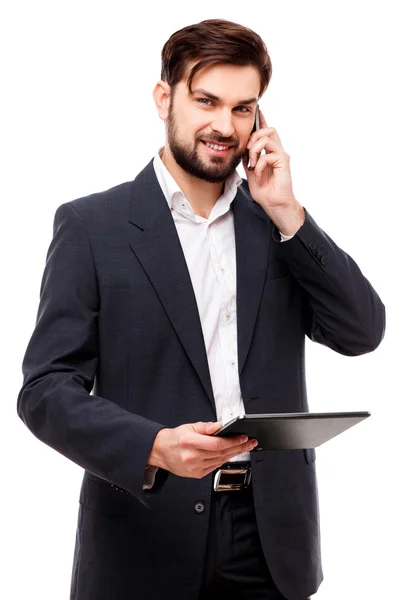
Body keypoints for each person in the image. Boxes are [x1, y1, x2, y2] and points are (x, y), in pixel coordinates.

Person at [17, 18, 385, 600]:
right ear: (165, 98)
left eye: (243, 108)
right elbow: (45, 391)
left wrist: (289, 211)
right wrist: (154, 445)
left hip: (272, 542)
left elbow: (362, 330)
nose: (224, 126)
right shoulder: (92, 227)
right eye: (206, 101)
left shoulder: (275, 225)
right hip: (145, 534)